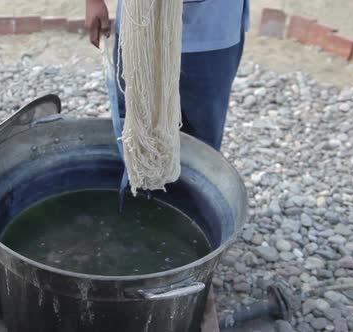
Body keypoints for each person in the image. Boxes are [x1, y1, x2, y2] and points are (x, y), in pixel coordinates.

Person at [85, 0, 251, 331]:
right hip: (139, 26)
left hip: (212, 33)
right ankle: (129, 237)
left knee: (201, 150)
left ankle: (190, 263)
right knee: (137, 139)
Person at [85, 0, 250, 152]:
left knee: (201, 146)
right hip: (141, 30)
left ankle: (189, 183)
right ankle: (136, 182)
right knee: (136, 138)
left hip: (211, 31)